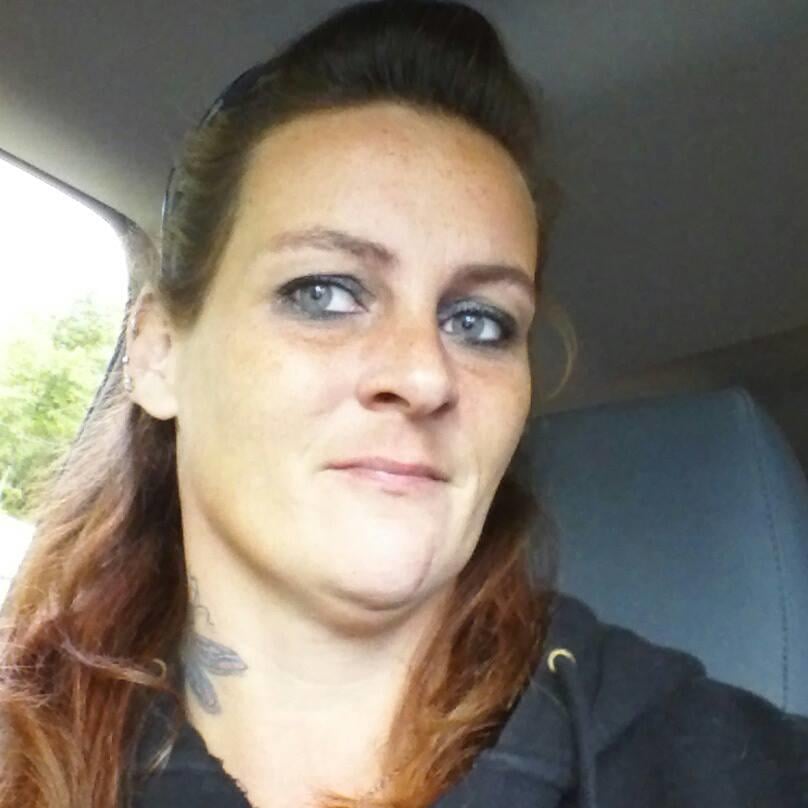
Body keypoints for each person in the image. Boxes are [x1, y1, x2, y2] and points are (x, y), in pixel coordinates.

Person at [1, 2, 806, 807]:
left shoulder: (707, 761)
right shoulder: (26, 739)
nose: (424, 375)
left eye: (479, 322)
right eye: (323, 292)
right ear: (157, 354)